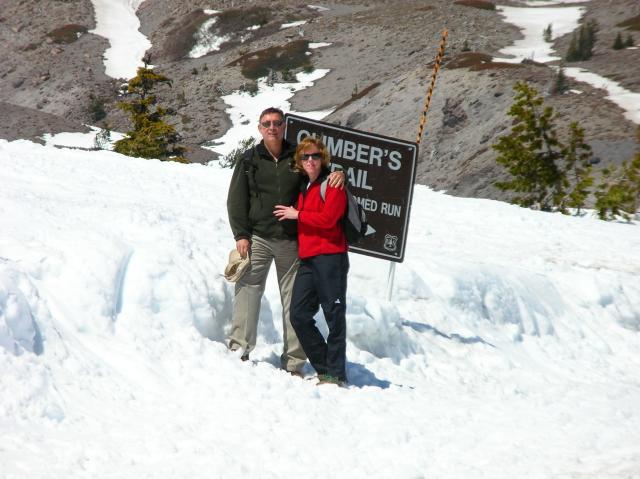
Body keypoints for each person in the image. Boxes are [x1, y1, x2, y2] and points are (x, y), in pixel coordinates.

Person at [226, 107, 343, 376]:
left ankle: (294, 362)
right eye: (266, 123)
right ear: (259, 128)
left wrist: (341, 173)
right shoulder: (249, 160)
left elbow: (320, 174)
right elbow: (236, 200)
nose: (272, 128)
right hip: (259, 238)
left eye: (277, 123)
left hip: (291, 240)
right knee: (248, 290)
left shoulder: (298, 157)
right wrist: (241, 235)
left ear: (284, 126)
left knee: (294, 302)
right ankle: (239, 349)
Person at [273, 137, 349, 386]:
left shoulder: (333, 184)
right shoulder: (306, 185)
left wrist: (298, 214)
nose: (310, 161)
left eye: (315, 156)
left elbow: (329, 219)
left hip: (330, 258)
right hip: (308, 259)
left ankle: (335, 374)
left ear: (322, 158)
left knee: (334, 315)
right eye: (305, 157)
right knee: (298, 315)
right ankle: (325, 366)